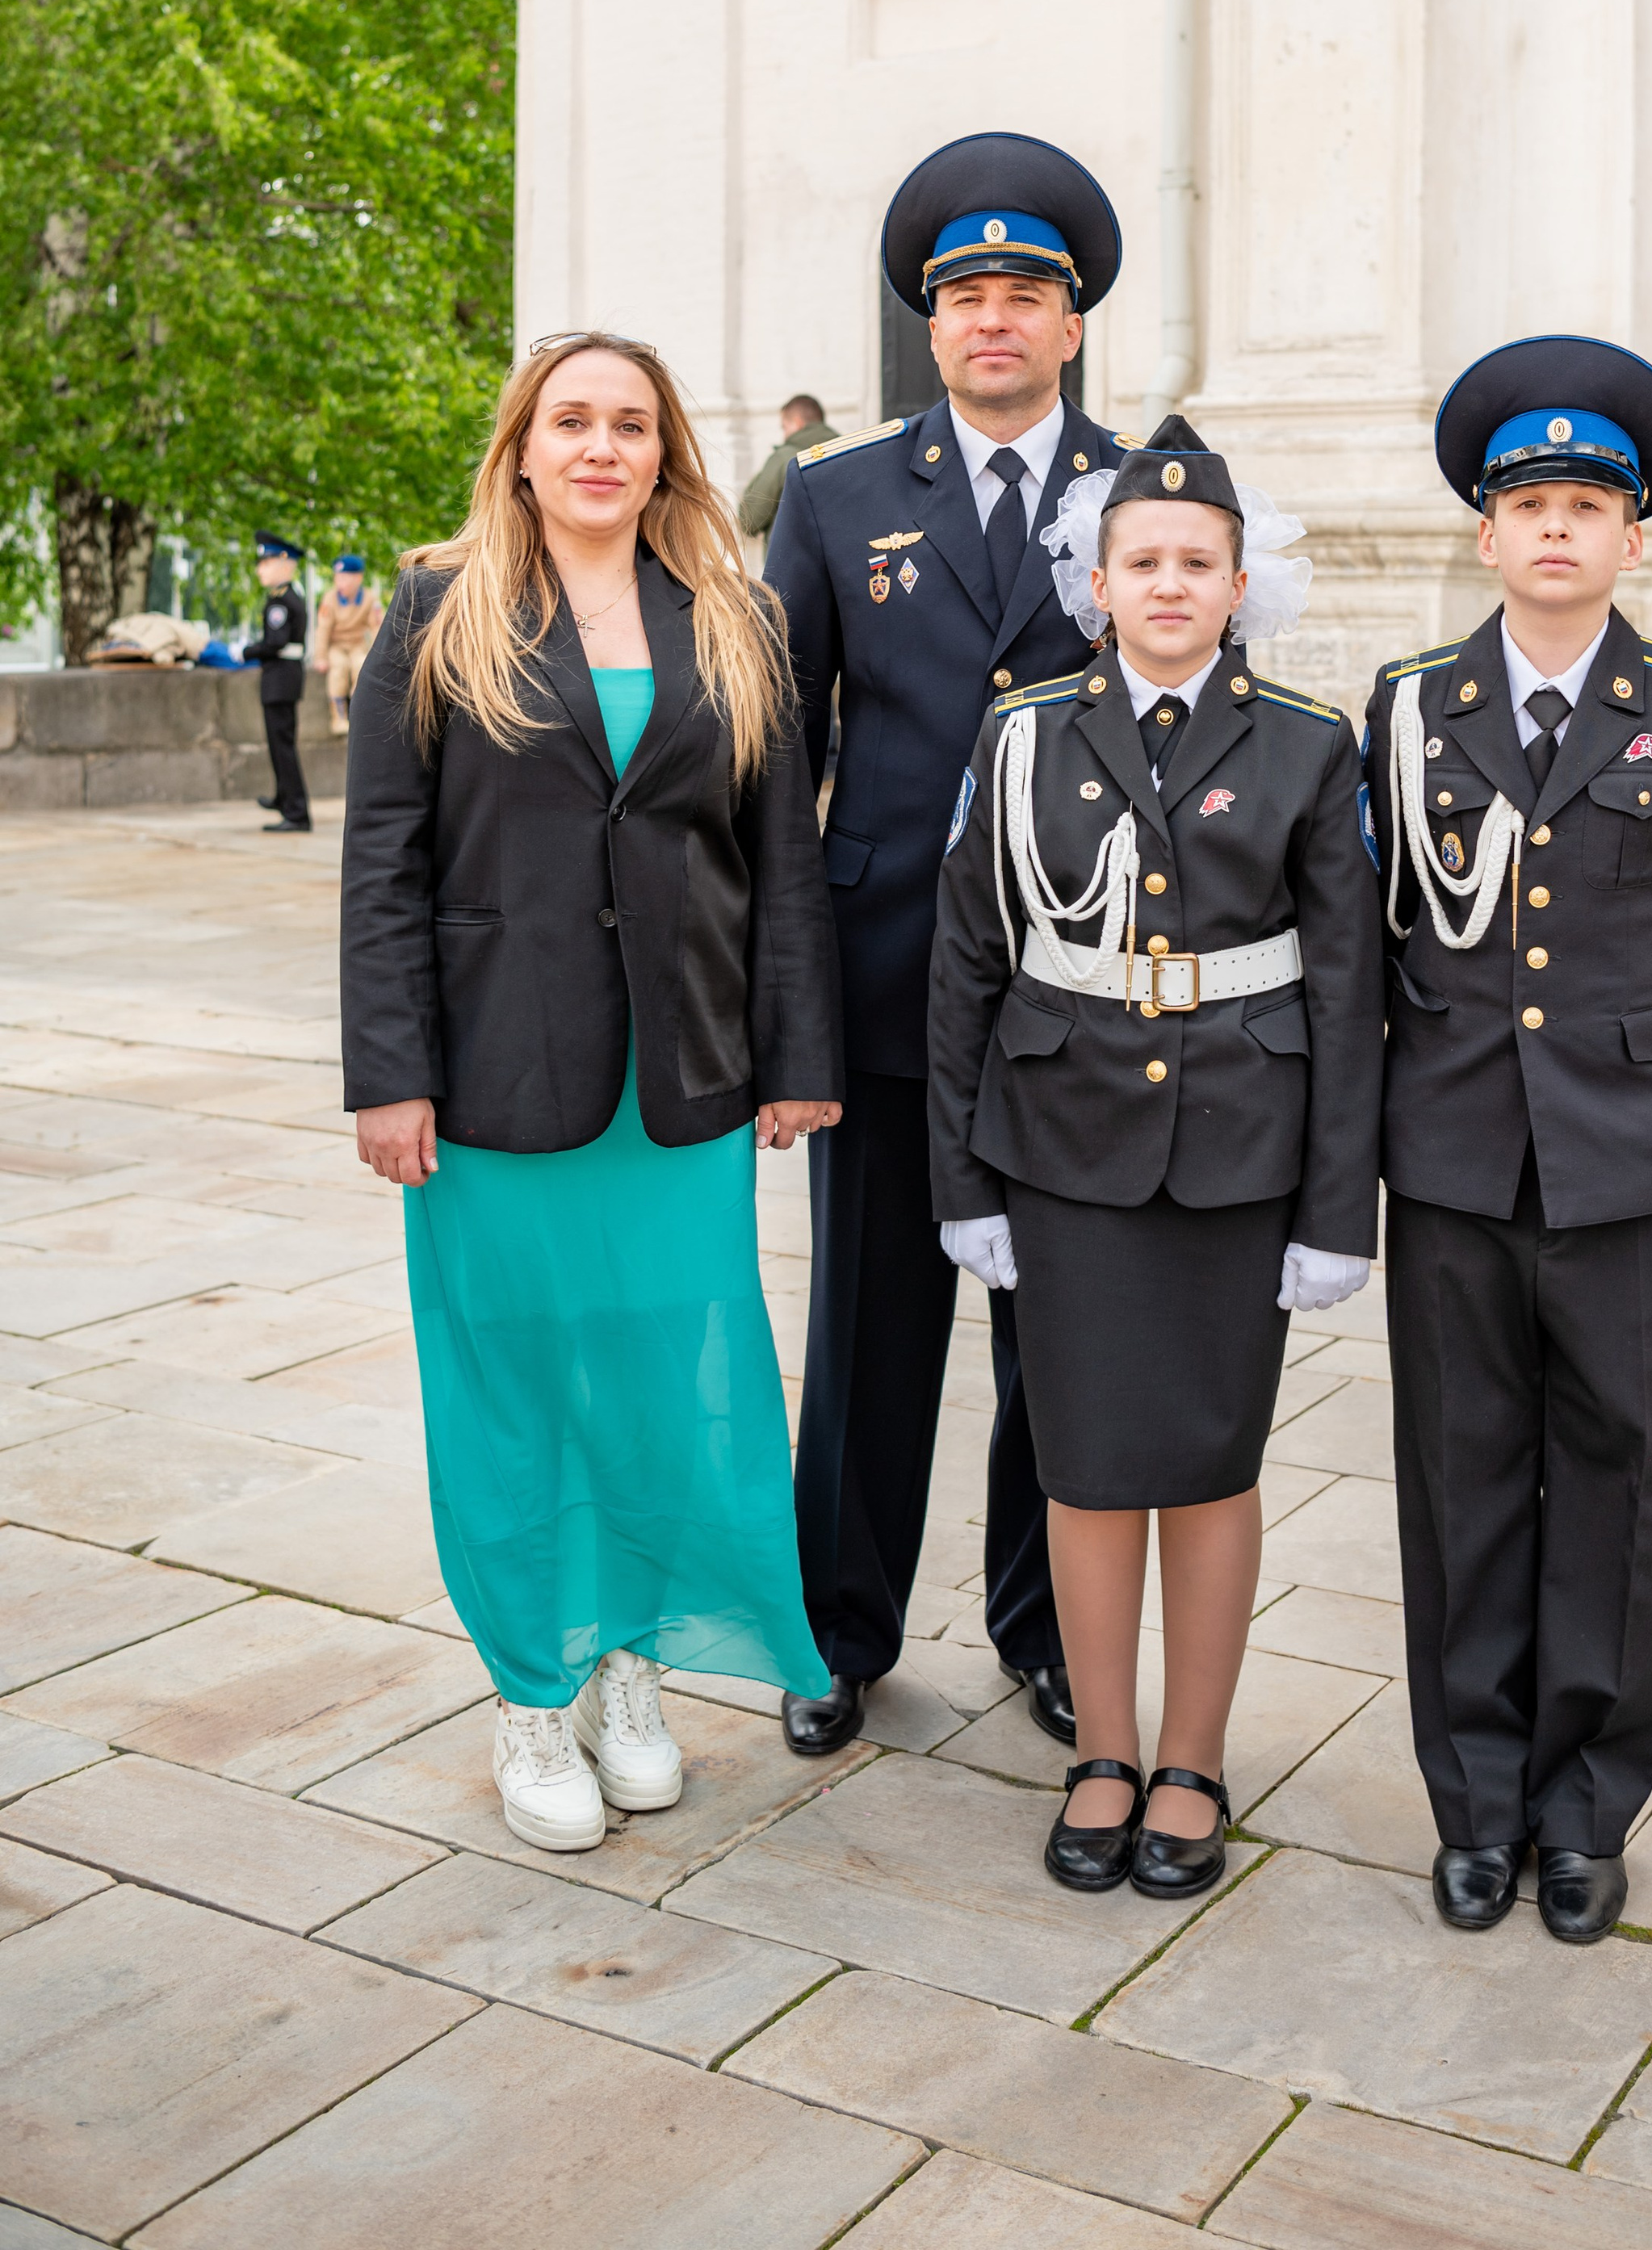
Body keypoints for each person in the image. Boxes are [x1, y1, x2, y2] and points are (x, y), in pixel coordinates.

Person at [341, 329, 844, 1855]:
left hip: (680, 1075)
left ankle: (630, 1662)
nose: (601, 446)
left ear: (667, 450)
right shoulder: (438, 610)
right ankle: (527, 1686)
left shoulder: (738, 617)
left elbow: (784, 861)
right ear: (522, 445)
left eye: (630, 422)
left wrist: (800, 1057)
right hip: (495, 1078)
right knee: (508, 1390)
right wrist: (389, 1074)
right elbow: (384, 861)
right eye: (572, 420)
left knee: (666, 1382)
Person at [1365, 336, 1652, 1946]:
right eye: (1525, 501)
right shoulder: (1410, 709)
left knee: (1614, 1482)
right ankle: (1474, 1804)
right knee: (1461, 1479)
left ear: (1630, 537)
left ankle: (1584, 1812)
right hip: (1457, 1160)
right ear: (1482, 532)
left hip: (1626, 1171)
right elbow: (1383, 929)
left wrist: (1635, 1085)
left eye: (1584, 505)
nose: (1554, 528)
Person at [929, 417, 1381, 1895]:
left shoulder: (1312, 744)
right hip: (1062, 1150)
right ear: (1098, 580)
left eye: (1199, 560)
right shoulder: (1023, 736)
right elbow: (967, 964)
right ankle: (1101, 1745)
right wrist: (960, 1181)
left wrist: (1336, 1207)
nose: (1171, 582)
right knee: (1086, 1460)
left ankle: (1194, 1752)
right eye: (1144, 560)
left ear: (1242, 581)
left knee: (1210, 1459)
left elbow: (1347, 986)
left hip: (1242, 1158)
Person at [764, 131, 1136, 1759]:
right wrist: (784, 1014)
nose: (992, 318)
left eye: (1023, 293)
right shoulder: (839, 495)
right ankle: (833, 1630)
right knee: (866, 1325)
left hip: (1076, 989)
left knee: (1058, 1335)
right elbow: (778, 756)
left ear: (1071, 320)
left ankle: (1044, 1630)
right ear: (931, 323)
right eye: (962, 292)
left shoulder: (1150, 493)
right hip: (882, 974)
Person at [244, 534, 311, 833]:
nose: (260, 570)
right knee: (279, 744)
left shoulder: (282, 600)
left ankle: (297, 812)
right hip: (283, 678)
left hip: (281, 679)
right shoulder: (285, 596)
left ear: (285, 563)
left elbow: (275, 642)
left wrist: (244, 651)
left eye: (266, 563)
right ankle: (285, 798)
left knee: (282, 746)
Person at [738, 396, 841, 541]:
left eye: (784, 427)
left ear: (797, 423)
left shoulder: (785, 458)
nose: (784, 435)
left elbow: (750, 519)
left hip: (793, 559)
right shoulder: (845, 453)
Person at [312, 555, 384, 734]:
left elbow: (377, 628)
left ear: (358, 578)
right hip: (336, 646)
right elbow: (322, 630)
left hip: (357, 645)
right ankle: (339, 717)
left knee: (361, 666)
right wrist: (320, 657)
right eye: (337, 578)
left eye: (345, 578)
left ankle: (360, 713)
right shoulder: (330, 599)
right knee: (338, 669)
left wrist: (380, 655)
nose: (340, 583)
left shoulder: (369, 598)